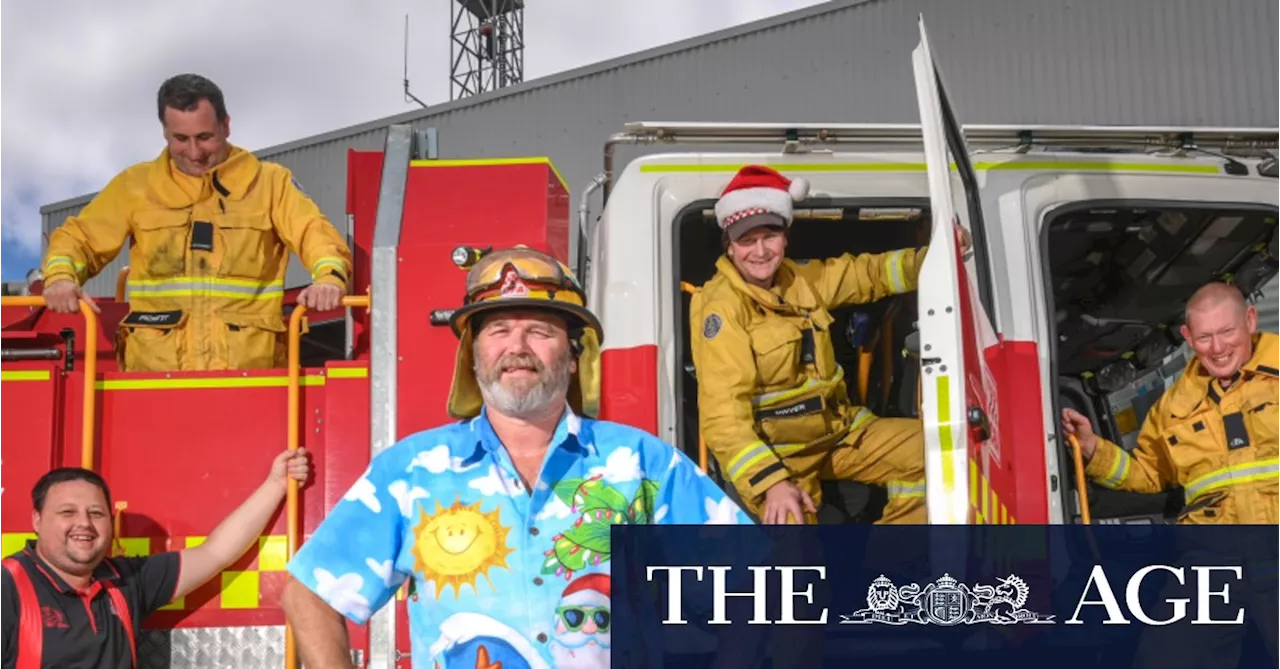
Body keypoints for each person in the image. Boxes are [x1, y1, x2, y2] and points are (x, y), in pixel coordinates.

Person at [280, 245, 752, 668]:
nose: (517, 348)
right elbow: (309, 595)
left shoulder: (643, 464)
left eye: (540, 332)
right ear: (474, 357)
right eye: (498, 331)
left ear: (572, 357)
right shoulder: (412, 472)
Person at [689, 164, 969, 526]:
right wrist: (771, 483)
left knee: (938, 453)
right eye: (746, 240)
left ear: (785, 237)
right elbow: (723, 416)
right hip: (779, 457)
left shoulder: (798, 278)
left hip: (838, 434)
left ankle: (889, 569)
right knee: (803, 558)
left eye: (769, 236)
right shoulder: (721, 307)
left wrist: (936, 258)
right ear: (729, 248)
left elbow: (868, 274)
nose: (760, 251)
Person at [39, 73, 353, 372]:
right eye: (180, 138)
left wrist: (329, 278)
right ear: (164, 132)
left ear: (226, 126)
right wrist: (61, 278)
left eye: (204, 137)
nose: (194, 152)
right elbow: (79, 238)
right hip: (154, 378)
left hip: (254, 377)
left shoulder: (270, 183)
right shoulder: (134, 186)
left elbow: (316, 234)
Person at [0, 448, 312, 668]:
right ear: (37, 520)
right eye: (67, 512)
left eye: (96, 513)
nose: (84, 523)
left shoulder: (124, 581)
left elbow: (215, 553)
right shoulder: (7, 588)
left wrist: (276, 485)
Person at [1062, 281, 1280, 525]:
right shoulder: (1171, 408)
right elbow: (1148, 474)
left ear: (1250, 320)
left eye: (1227, 331)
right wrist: (1091, 447)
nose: (1218, 348)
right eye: (1205, 337)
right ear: (1188, 336)